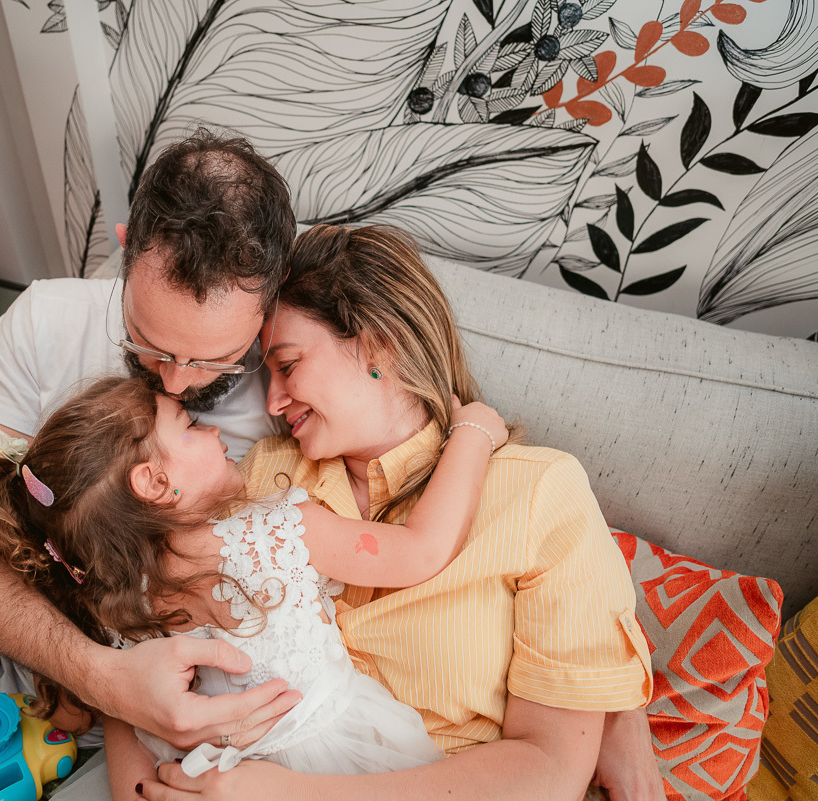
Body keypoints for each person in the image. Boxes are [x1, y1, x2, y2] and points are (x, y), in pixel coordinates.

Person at [142, 225, 659, 801]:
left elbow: (547, 771)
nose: (272, 401)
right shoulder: (261, 476)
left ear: (379, 342)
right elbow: (147, 629)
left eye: (287, 366)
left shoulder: (536, 491)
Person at [0, 129, 304, 752]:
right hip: (49, 715)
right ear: (125, 249)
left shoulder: (301, 378)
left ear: (274, 291)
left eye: (219, 360)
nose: (176, 382)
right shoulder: (43, 323)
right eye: (148, 341)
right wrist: (103, 679)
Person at [0, 375, 509, 798]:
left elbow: (131, 759)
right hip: (347, 769)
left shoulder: (114, 611)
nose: (217, 430)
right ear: (155, 483)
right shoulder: (275, 531)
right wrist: (475, 433)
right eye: (191, 427)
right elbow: (420, 551)